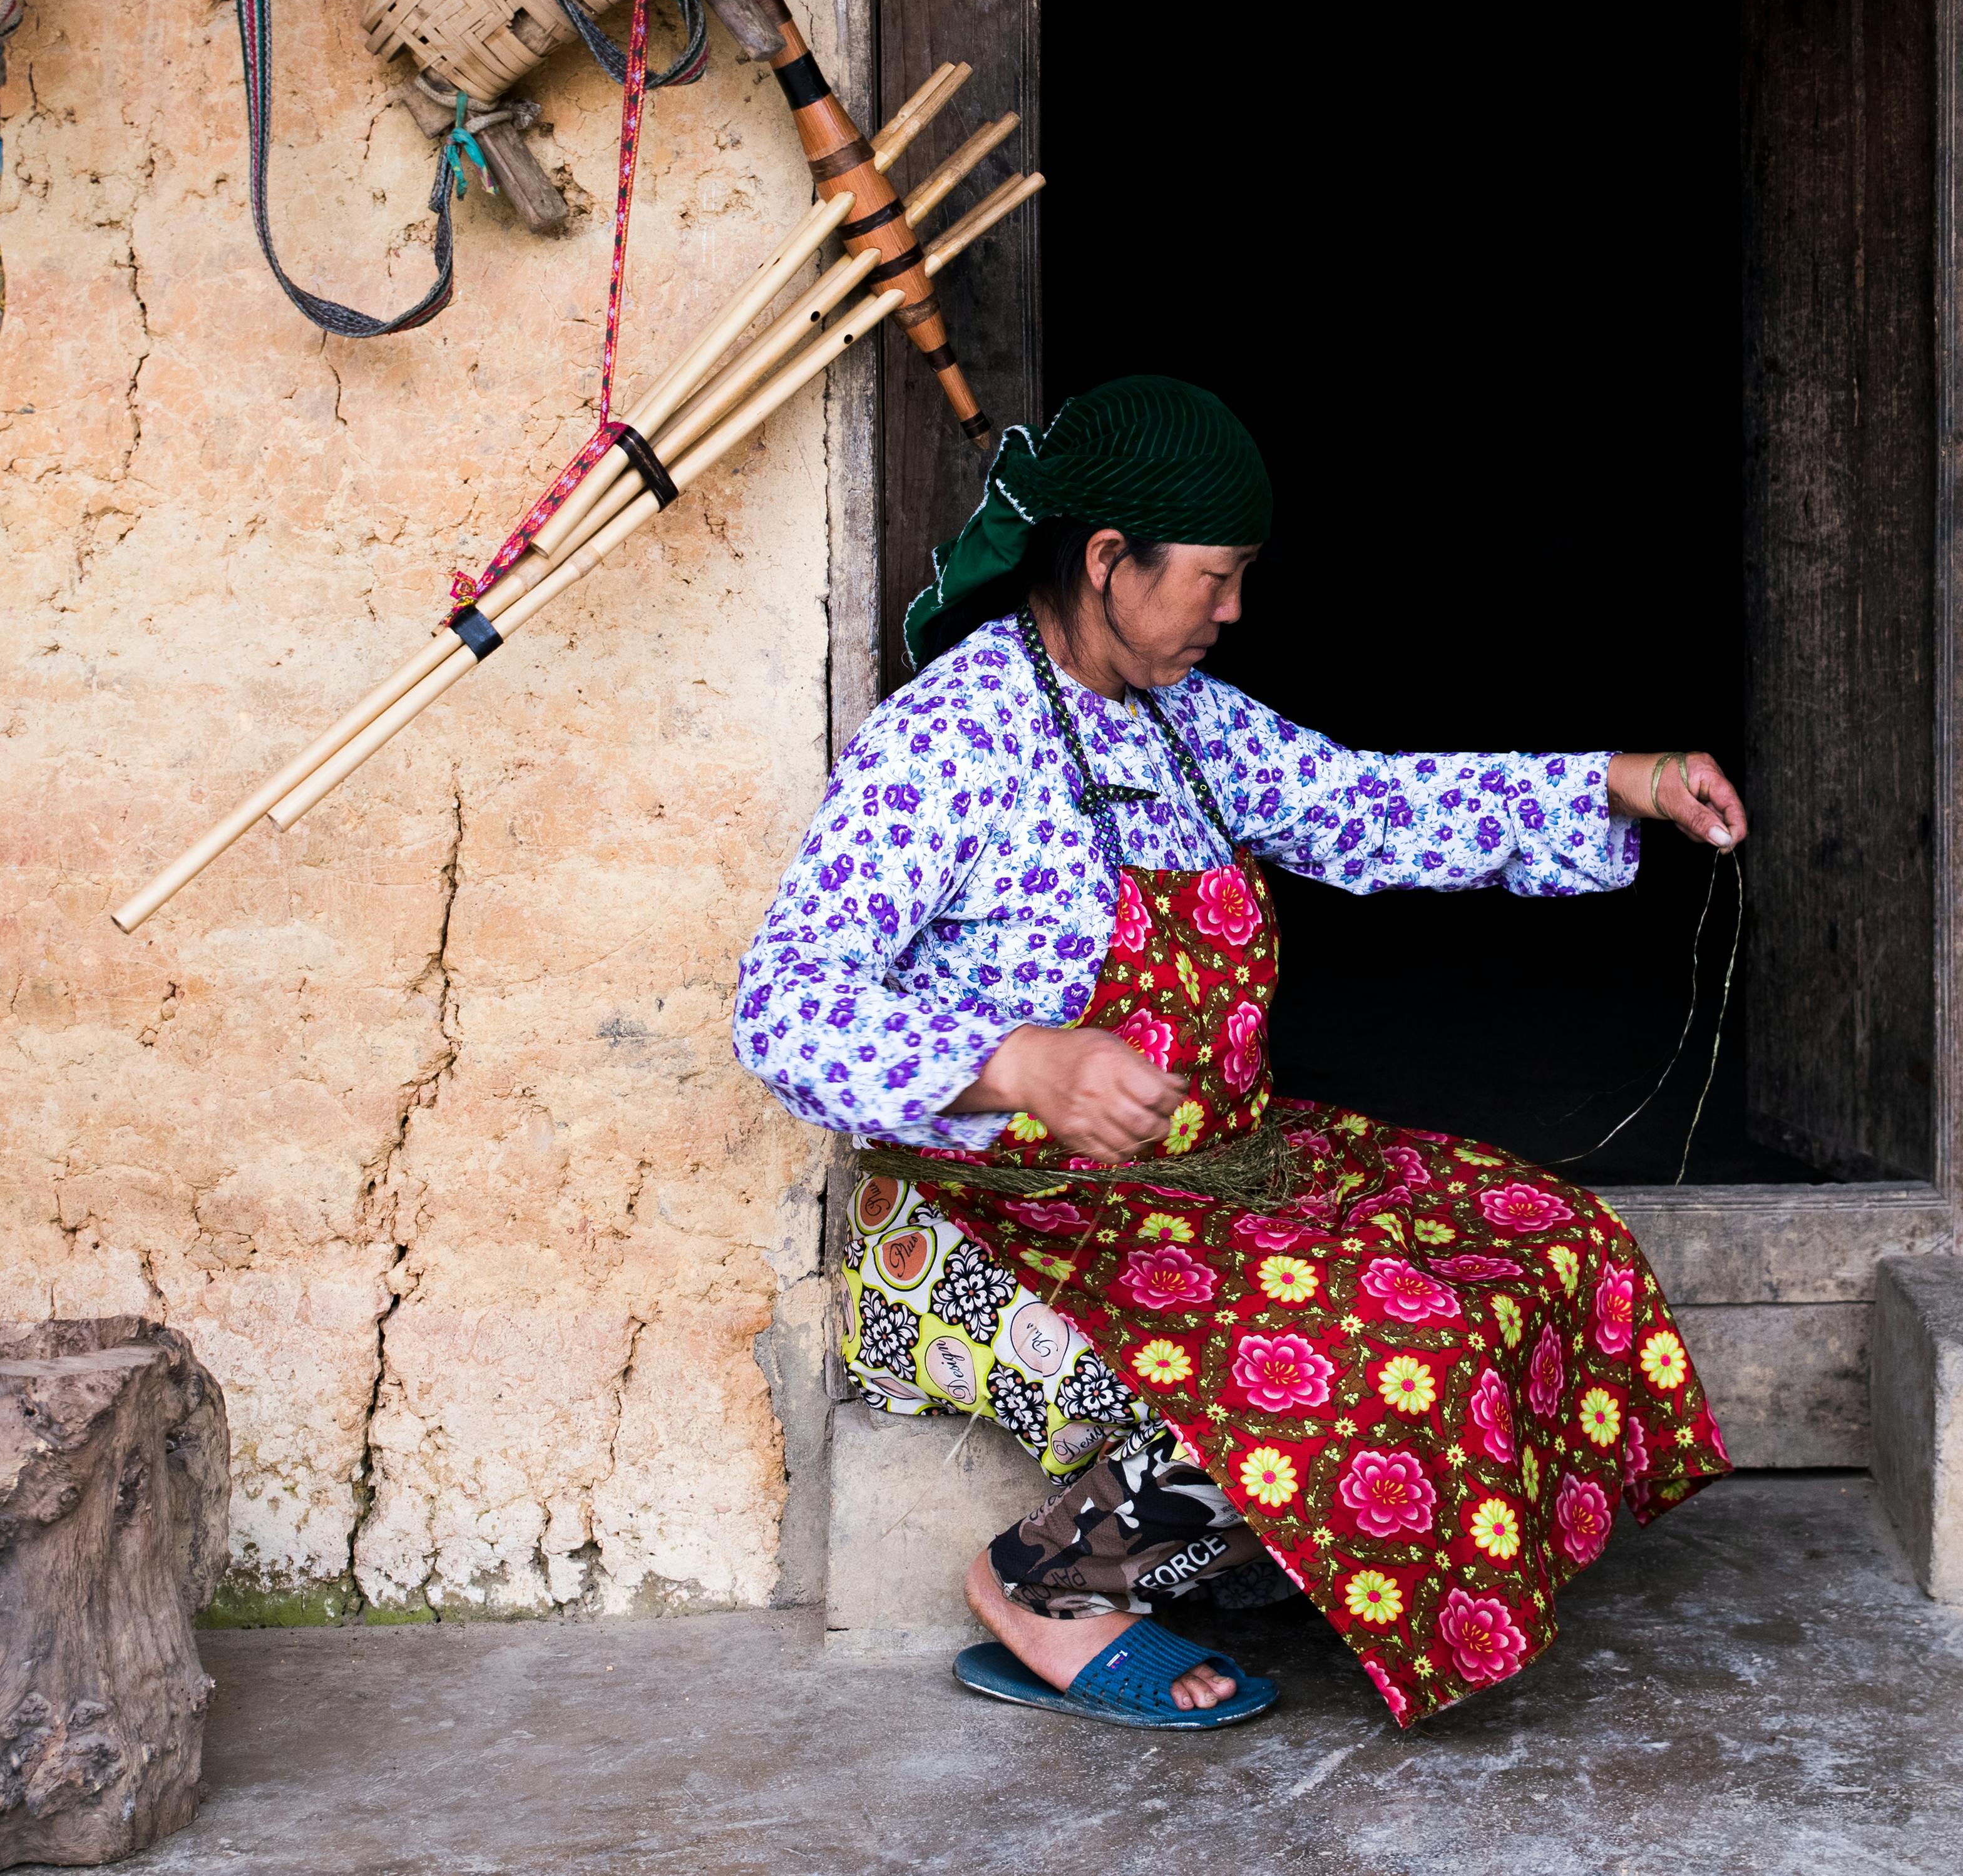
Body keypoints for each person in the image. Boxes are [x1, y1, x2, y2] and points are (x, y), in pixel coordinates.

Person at [733, 374, 1748, 1729]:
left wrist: (1616, 778)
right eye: (1213, 577)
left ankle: (1293, 1549)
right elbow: (782, 998)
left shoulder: (1187, 722)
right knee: (1386, 1343)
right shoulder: (947, 737)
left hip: (1210, 1175)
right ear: (1106, 560)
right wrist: (1018, 1061)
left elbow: (1365, 807)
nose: (1231, 610)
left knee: (1541, 1239)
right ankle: (1049, 1581)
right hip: (987, 1219)